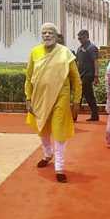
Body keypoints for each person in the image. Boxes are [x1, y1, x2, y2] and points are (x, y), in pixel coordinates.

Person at [25, 23, 81, 183]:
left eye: (50, 33)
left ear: (56, 36)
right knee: (42, 129)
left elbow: (76, 79)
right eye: (44, 33)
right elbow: (28, 77)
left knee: (58, 131)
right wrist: (28, 97)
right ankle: (48, 153)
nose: (47, 35)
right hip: (39, 97)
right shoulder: (34, 52)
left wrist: (76, 101)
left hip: (60, 98)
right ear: (41, 35)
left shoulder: (66, 53)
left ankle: (59, 167)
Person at [76, 29, 100, 121]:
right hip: (80, 76)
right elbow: (78, 62)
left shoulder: (91, 48)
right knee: (87, 95)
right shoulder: (79, 49)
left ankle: (74, 115)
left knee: (82, 95)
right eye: (79, 39)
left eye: (81, 38)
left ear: (87, 37)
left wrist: (96, 76)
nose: (80, 40)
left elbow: (96, 61)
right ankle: (95, 115)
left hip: (88, 76)